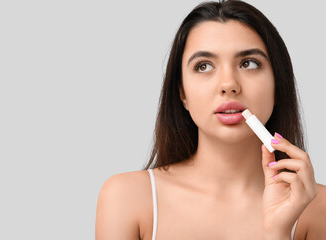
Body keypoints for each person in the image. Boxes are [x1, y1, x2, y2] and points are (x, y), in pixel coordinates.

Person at [95, 0, 326, 239]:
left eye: (248, 63)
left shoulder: (317, 208)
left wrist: (278, 231)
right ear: (182, 92)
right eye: (204, 66)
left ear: (278, 85)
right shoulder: (126, 198)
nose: (228, 85)